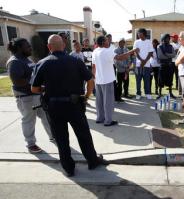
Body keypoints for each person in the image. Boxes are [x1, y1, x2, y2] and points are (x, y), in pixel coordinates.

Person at [31, 35, 106, 177]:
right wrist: (86, 96)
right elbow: (90, 80)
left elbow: (34, 89)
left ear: (49, 47)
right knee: (83, 135)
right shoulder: (75, 61)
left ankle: (68, 168)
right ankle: (92, 160)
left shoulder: (42, 63)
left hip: (54, 107)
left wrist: (46, 90)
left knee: (61, 138)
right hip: (75, 105)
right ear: (64, 46)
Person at [6, 38, 54, 153]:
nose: (30, 48)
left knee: (46, 116)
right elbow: (17, 80)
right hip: (25, 97)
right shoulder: (15, 61)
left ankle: (53, 135)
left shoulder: (26, 59)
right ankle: (30, 144)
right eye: (27, 46)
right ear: (19, 48)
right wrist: (37, 86)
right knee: (28, 120)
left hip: (36, 95)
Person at [92, 36, 138, 126]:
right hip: (107, 80)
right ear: (103, 42)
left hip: (98, 80)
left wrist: (94, 77)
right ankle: (108, 121)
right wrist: (132, 51)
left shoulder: (95, 51)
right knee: (108, 101)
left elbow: (94, 66)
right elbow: (120, 57)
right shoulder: (107, 51)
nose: (108, 42)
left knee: (99, 101)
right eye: (106, 40)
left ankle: (100, 118)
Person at [133, 28, 154, 100]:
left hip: (147, 64)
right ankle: (138, 93)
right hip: (138, 65)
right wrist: (141, 60)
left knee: (147, 80)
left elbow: (151, 52)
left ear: (144, 34)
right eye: (138, 34)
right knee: (138, 80)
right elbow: (135, 52)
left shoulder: (149, 42)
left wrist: (145, 61)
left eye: (140, 33)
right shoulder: (136, 42)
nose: (139, 35)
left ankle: (147, 93)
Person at [157, 34, 176, 99]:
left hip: (169, 65)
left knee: (170, 80)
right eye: (166, 38)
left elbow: (174, 55)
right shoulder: (159, 46)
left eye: (168, 38)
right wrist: (168, 55)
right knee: (161, 80)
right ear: (163, 39)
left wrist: (166, 54)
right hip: (162, 65)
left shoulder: (171, 46)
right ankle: (159, 94)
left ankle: (170, 93)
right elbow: (160, 56)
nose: (168, 39)